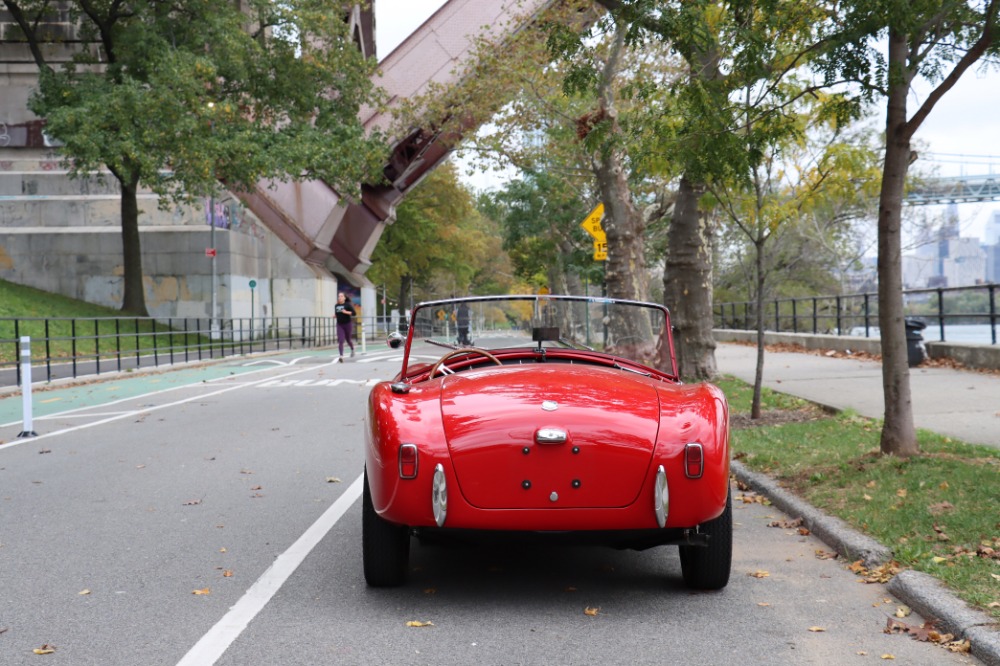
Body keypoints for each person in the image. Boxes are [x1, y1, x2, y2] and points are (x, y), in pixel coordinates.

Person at [334, 292, 356, 361]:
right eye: (339, 296)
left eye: (341, 296)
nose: (339, 297)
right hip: (340, 324)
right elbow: (337, 314)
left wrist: (346, 312)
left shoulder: (347, 305)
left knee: (348, 339)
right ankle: (341, 356)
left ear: (344, 298)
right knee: (341, 340)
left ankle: (352, 349)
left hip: (347, 324)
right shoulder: (336, 305)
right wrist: (335, 316)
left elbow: (354, 313)